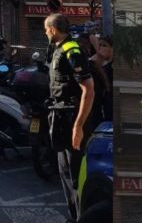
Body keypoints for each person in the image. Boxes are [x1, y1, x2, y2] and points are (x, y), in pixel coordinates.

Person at [44, 13, 95, 222]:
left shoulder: (71, 51)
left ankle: (81, 217)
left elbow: (88, 89)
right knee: (65, 174)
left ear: (54, 29)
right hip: (61, 117)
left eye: (46, 29)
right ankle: (74, 216)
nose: (45, 33)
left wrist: (79, 126)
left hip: (71, 119)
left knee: (75, 176)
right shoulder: (58, 50)